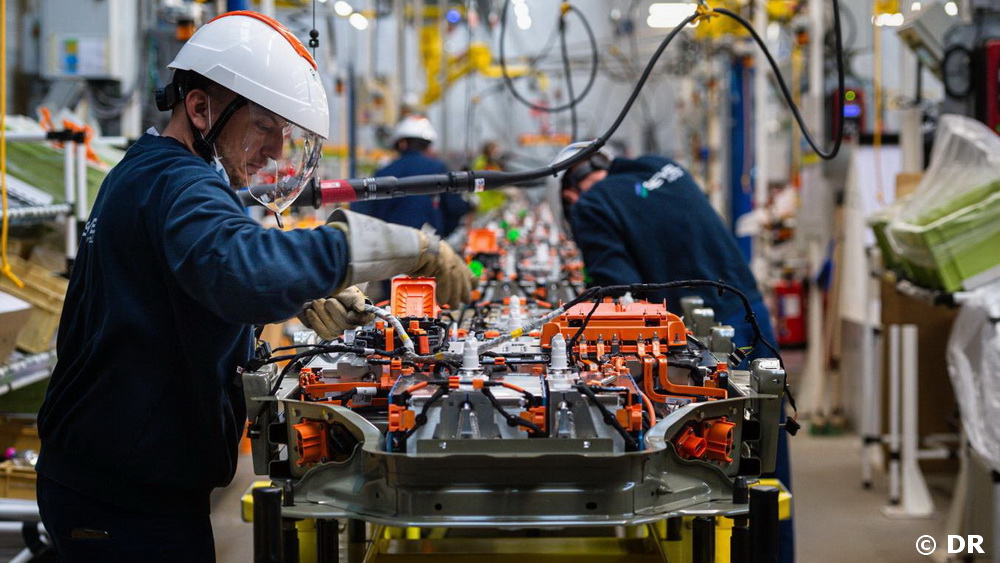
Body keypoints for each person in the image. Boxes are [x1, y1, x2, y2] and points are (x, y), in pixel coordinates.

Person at [35, 12, 470, 561]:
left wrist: (302, 292)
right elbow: (240, 270)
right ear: (200, 109)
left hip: (119, 479)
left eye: (284, 134)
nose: (274, 150)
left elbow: (186, 287)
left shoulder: (152, 171)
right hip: (123, 496)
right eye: (265, 126)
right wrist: (399, 246)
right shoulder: (180, 184)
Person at [556, 143, 794, 563]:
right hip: (749, 315)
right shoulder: (663, 165)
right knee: (765, 466)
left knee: (710, 473)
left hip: (701, 345)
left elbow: (617, 298)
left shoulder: (591, 206)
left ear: (569, 195)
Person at [352, 115, 469, 238]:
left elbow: (364, 212)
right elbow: (455, 208)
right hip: (430, 246)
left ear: (402, 143)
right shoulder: (439, 169)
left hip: (390, 248)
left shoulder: (383, 172)